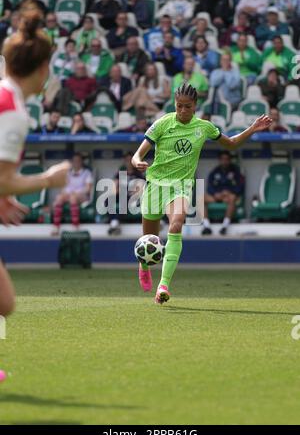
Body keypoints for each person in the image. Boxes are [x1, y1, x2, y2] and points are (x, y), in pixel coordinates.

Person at [131, 82, 271, 303]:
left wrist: (252, 128)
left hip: (181, 187)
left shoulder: (204, 127)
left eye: (187, 106)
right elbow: (137, 154)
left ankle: (163, 286)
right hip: (155, 185)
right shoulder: (162, 124)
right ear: (174, 105)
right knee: (150, 239)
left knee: (176, 225)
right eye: (179, 106)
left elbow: (232, 144)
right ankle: (144, 264)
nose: (183, 111)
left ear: (195, 105)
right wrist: (138, 162)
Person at [0, 4, 70, 318]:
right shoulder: (13, 112)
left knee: (2, 303)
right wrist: (49, 180)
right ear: (43, 68)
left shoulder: (6, 95)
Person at [202, 151, 245, 236]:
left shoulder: (236, 171)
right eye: (222, 159)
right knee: (201, 198)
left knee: (233, 198)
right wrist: (215, 194)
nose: (224, 161)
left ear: (230, 160)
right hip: (216, 196)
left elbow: (240, 186)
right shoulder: (214, 171)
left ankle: (225, 226)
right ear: (219, 160)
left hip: (228, 197)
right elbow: (209, 187)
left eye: (226, 159)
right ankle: (206, 226)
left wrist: (230, 192)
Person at [52, 153, 93, 235]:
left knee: (73, 198)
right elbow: (63, 188)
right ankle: (56, 227)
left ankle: (75, 225)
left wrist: (76, 193)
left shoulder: (87, 173)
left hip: (82, 196)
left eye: (78, 160)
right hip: (69, 195)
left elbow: (88, 189)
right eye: (74, 161)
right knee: (59, 198)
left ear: (82, 162)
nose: (76, 162)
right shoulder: (68, 173)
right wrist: (66, 193)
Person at [107, 152, 144, 235]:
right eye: (127, 160)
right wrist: (117, 190)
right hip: (121, 193)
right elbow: (115, 187)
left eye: (130, 160)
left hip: (132, 197)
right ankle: (113, 221)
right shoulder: (121, 172)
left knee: (124, 198)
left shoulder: (138, 174)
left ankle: (115, 222)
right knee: (108, 199)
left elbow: (140, 189)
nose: (128, 162)